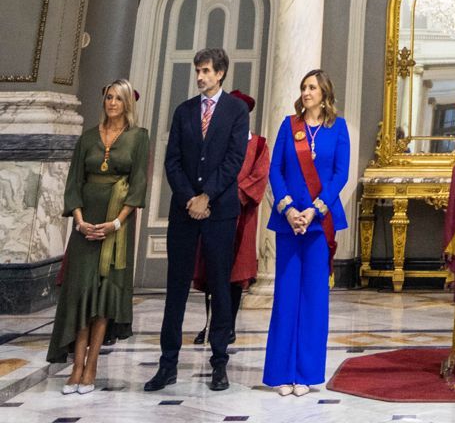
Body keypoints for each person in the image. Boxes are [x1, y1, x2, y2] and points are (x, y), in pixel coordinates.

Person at [145, 46, 250, 394]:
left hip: (220, 211)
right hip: (185, 211)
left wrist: (208, 196)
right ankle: (167, 365)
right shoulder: (184, 111)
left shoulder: (236, 111)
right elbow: (171, 159)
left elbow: (235, 159)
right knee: (176, 288)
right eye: (197, 71)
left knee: (220, 286)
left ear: (220, 73)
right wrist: (190, 198)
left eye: (205, 71)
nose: (200, 77)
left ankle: (219, 363)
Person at [48, 81, 149, 393]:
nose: (112, 103)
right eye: (108, 97)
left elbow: (138, 184)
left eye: (118, 98)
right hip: (85, 225)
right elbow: (74, 181)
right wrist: (79, 221)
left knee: (104, 294)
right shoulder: (89, 137)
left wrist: (115, 224)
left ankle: (91, 366)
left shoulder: (138, 137)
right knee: (80, 292)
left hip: (116, 228)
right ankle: (75, 365)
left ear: (127, 103)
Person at [263, 69, 351, 395]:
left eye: (312, 87)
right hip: (288, 224)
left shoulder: (338, 128)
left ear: (324, 93)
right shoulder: (289, 125)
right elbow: (275, 169)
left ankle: (306, 374)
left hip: (318, 223)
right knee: (286, 296)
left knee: (314, 300)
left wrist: (315, 209)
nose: (306, 92)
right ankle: (281, 373)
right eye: (303, 87)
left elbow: (340, 174)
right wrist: (288, 208)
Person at [193, 89, 269, 349]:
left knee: (235, 275)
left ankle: (229, 325)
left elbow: (258, 178)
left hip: (242, 219)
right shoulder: (217, 141)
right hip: (213, 212)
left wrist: (230, 195)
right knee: (212, 271)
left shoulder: (258, 144)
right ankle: (209, 323)